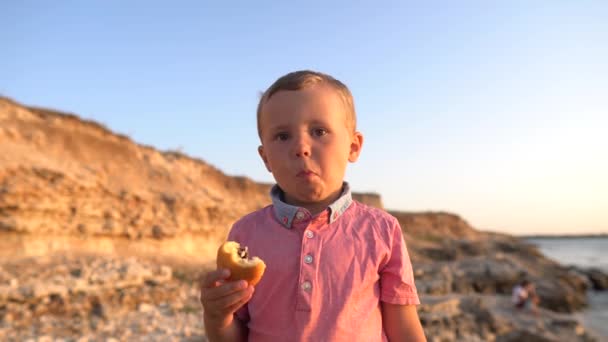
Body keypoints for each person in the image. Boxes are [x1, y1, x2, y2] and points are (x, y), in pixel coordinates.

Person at [199, 70, 426, 341]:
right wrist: (216, 317)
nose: (301, 147)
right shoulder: (245, 234)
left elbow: (405, 329)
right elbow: (232, 336)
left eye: (319, 131)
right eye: (283, 136)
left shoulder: (382, 230)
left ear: (353, 146)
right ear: (265, 158)